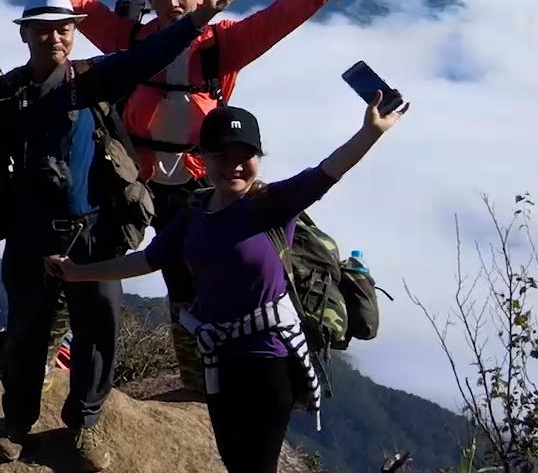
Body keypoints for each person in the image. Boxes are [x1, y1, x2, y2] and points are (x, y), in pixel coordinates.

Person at [28, 0, 351, 393]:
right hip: (131, 177)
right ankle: (42, 356)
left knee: (185, 279)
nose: (172, 3)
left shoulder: (223, 46)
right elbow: (83, 4)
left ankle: (196, 381)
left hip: (199, 182)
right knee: (86, 256)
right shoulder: (131, 40)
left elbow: (276, 19)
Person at [0, 0, 246, 471]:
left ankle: (84, 421)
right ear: (24, 34)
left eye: (64, 28)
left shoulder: (92, 79)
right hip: (29, 233)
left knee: (98, 332)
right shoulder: (5, 95)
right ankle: (17, 423)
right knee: (26, 333)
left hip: (93, 233)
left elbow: (150, 55)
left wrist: (200, 19)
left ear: (74, 32)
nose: (55, 37)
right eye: (44, 29)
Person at [47, 94, 410, 473]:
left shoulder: (272, 203)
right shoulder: (194, 212)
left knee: (256, 466)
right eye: (222, 155)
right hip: (218, 359)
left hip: (269, 360)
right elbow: (147, 260)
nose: (234, 165)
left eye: (245, 155)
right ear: (202, 157)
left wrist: (370, 133)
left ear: (258, 158)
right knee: (234, 462)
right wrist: (76, 272)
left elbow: (328, 171)